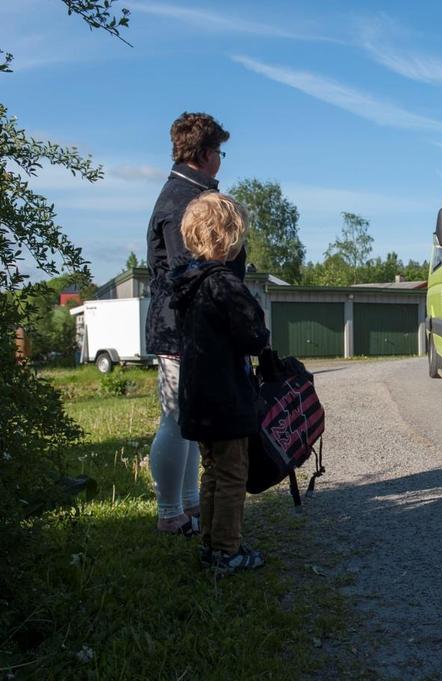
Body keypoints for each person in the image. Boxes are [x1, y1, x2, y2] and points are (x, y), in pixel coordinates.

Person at [145, 112, 245, 535]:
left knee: (188, 418)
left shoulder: (185, 193)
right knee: (176, 418)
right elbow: (192, 272)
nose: (221, 160)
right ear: (205, 154)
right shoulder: (183, 201)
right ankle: (170, 513)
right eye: (219, 151)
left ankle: (187, 504)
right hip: (181, 327)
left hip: (185, 325)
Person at [170, 192, 269, 574]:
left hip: (198, 397)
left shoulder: (189, 284)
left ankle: (212, 544)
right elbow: (252, 335)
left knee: (212, 471)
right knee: (232, 475)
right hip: (225, 397)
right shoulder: (224, 284)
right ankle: (227, 551)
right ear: (229, 238)